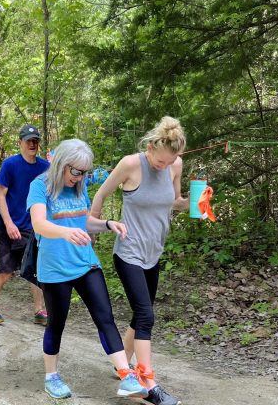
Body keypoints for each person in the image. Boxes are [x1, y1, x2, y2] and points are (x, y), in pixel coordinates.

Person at [27, 138, 149, 400]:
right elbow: (38, 224)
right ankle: (52, 377)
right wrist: (65, 232)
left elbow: (85, 222)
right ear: (62, 164)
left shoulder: (79, 187)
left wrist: (107, 224)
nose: (80, 177)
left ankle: (126, 376)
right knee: (56, 324)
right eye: (76, 172)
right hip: (55, 269)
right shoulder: (40, 187)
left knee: (105, 317)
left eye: (84, 172)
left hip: (86, 263)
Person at [90, 116, 187, 405]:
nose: (164, 167)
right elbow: (102, 193)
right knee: (146, 316)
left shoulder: (175, 165)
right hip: (129, 252)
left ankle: (124, 368)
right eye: (160, 162)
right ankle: (148, 383)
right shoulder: (131, 164)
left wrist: (196, 202)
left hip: (153, 252)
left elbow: (174, 202)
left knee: (139, 314)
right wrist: (94, 227)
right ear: (152, 147)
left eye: (169, 163)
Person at [0, 124, 49, 325]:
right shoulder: (10, 165)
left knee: (36, 270)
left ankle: (39, 310)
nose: (32, 144)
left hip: (32, 226)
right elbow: (0, 194)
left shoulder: (45, 167)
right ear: (20, 143)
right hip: (7, 225)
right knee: (6, 271)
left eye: (35, 141)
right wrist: (9, 223)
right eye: (28, 141)